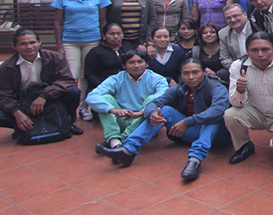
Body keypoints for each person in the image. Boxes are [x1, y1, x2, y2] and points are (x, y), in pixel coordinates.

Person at [97, 58, 231, 180]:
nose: (191, 77)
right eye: (186, 73)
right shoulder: (180, 89)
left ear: (203, 72)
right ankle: (128, 150)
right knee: (164, 111)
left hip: (217, 135)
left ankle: (195, 160)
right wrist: (152, 114)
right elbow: (155, 103)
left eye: (195, 72)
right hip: (192, 132)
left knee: (213, 119)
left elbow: (218, 110)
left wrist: (187, 122)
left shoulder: (215, 87)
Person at [224, 32, 273, 163]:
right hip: (256, 112)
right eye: (254, 50)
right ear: (247, 51)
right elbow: (235, 103)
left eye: (265, 49)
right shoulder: (238, 66)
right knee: (230, 115)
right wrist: (240, 90)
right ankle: (244, 146)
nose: (260, 54)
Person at [0, 30, 84, 136]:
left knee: (73, 91)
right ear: (14, 46)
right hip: (23, 102)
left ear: (39, 42)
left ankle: (66, 123)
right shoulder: (6, 68)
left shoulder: (54, 57)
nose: (29, 47)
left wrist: (44, 96)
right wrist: (17, 113)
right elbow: (3, 96)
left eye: (32, 42)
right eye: (23, 44)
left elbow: (66, 80)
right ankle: (23, 126)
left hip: (50, 98)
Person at [51, 0, 112, 121]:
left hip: (92, 40)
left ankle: (84, 108)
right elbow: (57, 23)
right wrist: (59, 45)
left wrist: (104, 39)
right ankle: (69, 109)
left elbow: (103, 21)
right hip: (69, 40)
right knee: (72, 75)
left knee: (86, 75)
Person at [86, 50, 169, 149]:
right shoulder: (117, 78)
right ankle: (115, 140)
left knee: (153, 99)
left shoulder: (157, 79)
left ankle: (117, 142)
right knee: (105, 99)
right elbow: (91, 97)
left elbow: (163, 96)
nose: (136, 65)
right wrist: (113, 110)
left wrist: (142, 112)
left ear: (146, 64)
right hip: (123, 118)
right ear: (124, 65)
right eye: (131, 62)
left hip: (144, 121)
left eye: (140, 62)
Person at [84, 23, 135, 96]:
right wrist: (102, 87)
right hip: (103, 88)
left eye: (118, 33)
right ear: (104, 35)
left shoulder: (128, 47)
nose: (116, 37)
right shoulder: (96, 52)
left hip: (128, 87)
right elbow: (89, 74)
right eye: (112, 34)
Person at [218, 4, 252, 82]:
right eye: (228, 18)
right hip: (237, 68)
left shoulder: (255, 26)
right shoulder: (223, 33)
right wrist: (238, 69)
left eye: (235, 16)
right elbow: (224, 58)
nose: (233, 20)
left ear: (245, 15)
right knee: (221, 73)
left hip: (258, 64)